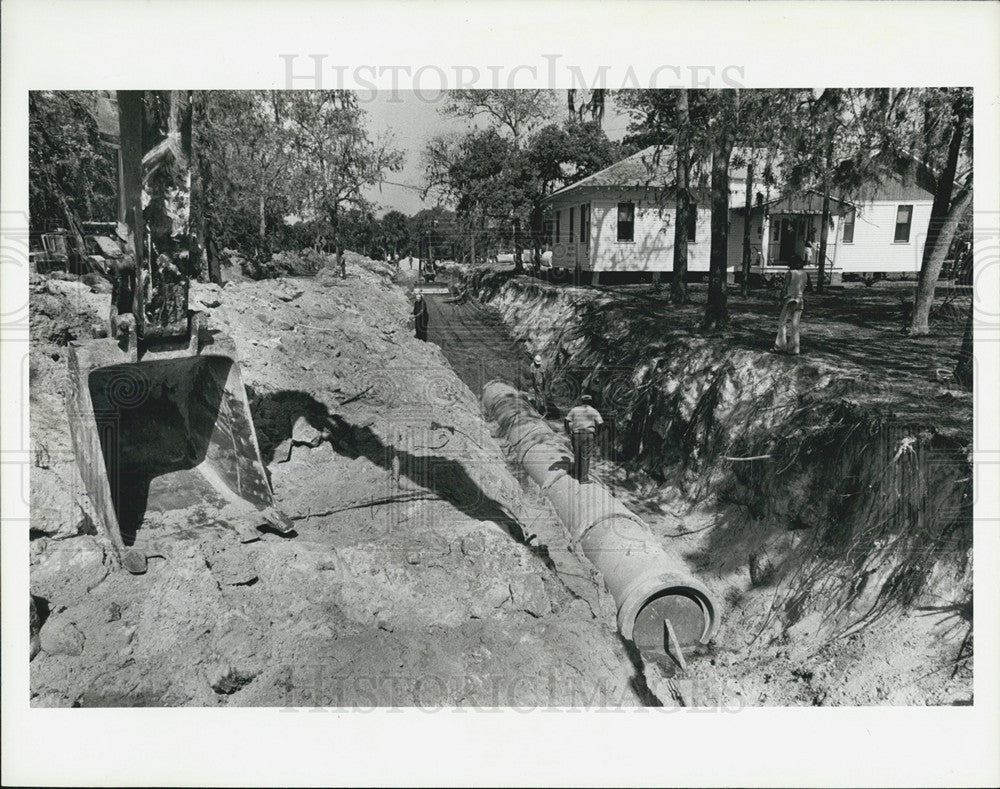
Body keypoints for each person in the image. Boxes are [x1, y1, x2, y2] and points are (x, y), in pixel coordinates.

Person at [773, 254, 810, 355]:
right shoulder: (805, 273)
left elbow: (784, 288)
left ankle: (780, 346)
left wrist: (779, 299)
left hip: (790, 299)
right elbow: (808, 287)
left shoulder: (790, 273)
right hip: (800, 299)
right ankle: (794, 348)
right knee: (795, 324)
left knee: (782, 321)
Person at [564, 394, 604, 483]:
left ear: (582, 401)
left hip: (576, 434)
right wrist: (597, 434)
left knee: (577, 454)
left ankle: (576, 474)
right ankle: (583, 478)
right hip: (588, 434)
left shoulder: (575, 409)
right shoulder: (594, 411)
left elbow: (566, 421)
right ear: (590, 401)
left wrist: (568, 432)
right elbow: (601, 424)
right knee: (585, 456)